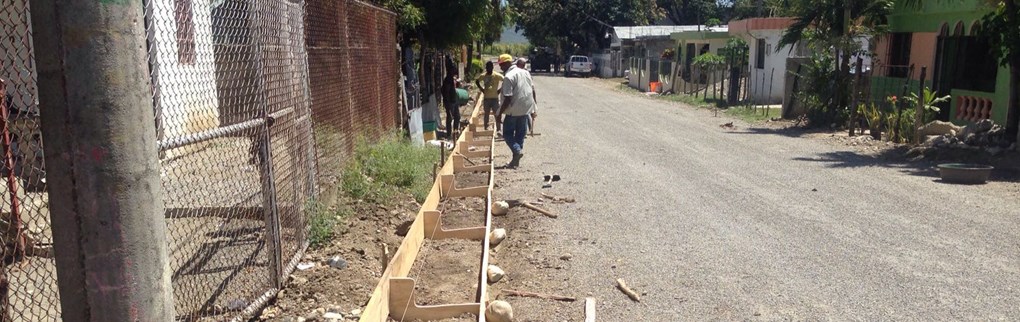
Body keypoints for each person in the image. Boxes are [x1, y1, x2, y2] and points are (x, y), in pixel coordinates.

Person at [496, 54, 536, 168]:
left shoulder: (509, 76)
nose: (501, 68)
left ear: (508, 63)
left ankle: (517, 151)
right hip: (525, 109)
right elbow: (531, 91)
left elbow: (508, 97)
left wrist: (499, 113)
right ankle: (515, 161)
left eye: (502, 65)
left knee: (507, 134)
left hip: (513, 110)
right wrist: (533, 109)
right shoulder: (526, 73)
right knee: (520, 135)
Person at [474, 61, 503, 130]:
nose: (488, 68)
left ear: (492, 67)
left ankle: (499, 129)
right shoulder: (483, 76)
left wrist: (500, 90)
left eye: (490, 67)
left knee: (497, 114)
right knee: (486, 114)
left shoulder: (496, 75)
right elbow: (477, 81)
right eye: (487, 67)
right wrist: (482, 89)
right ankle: (486, 127)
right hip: (486, 98)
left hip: (495, 98)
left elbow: (505, 80)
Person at [440, 60, 461, 139]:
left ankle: (455, 131)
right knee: (450, 117)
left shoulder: (452, 79)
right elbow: (445, 92)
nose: (455, 71)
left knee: (457, 116)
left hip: (454, 101)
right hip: (450, 102)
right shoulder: (448, 80)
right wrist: (447, 105)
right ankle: (449, 134)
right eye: (453, 70)